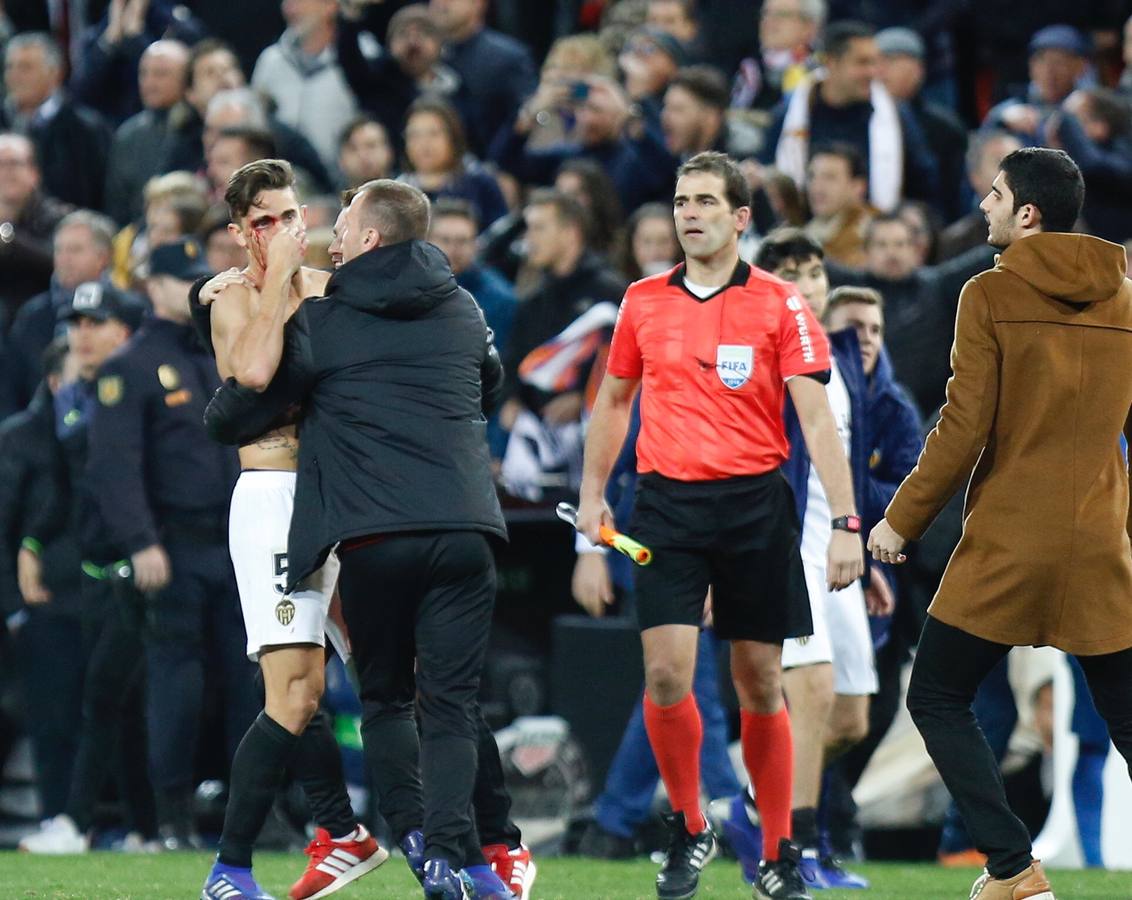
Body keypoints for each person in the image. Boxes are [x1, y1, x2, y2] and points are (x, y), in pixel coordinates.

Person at [577, 151, 864, 900]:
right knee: (667, 675)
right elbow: (612, 403)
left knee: (759, 680)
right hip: (666, 504)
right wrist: (592, 498)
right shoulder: (641, 300)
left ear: (741, 217)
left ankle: (776, 850)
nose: (689, 213)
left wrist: (847, 522)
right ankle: (689, 827)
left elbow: (815, 419)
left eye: (706, 201)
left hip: (755, 505)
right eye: (681, 201)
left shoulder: (781, 303)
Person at [868, 147, 1132, 900]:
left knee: (938, 697)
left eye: (994, 194)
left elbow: (962, 427)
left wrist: (901, 520)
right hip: (1102, 540)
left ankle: (1013, 871)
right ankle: (1013, 872)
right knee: (1128, 718)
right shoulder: (1127, 300)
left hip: (1011, 539)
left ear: (1027, 213)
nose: (982, 206)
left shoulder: (987, 293)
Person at [280, 179, 511, 898]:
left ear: (372, 238)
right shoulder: (465, 307)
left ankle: (418, 844)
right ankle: (451, 853)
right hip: (465, 529)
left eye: (344, 225)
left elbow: (258, 398)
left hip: (376, 534)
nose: (334, 236)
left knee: (383, 700)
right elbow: (488, 383)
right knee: (450, 705)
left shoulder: (322, 320)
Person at [193, 160, 383, 900]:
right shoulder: (234, 299)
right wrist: (275, 279)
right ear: (241, 231)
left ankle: (360, 834)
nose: (284, 230)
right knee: (293, 692)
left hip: (343, 494)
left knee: (387, 675)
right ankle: (230, 868)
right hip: (273, 497)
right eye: (265, 220)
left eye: (290, 214)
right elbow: (254, 374)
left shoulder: (337, 293)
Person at [84, 238, 257, 852]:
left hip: (232, 544)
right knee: (174, 683)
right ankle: (171, 818)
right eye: (179, 279)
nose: (191, 288)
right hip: (174, 547)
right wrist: (141, 541)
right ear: (152, 286)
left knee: (248, 681)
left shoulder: (213, 354)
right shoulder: (128, 365)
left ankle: (250, 813)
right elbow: (115, 466)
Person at [15, 289, 158, 854]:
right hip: (98, 571)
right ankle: (150, 829)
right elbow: (70, 487)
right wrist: (33, 542)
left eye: (96, 323)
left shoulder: (136, 386)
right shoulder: (74, 395)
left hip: (142, 567)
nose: (84, 334)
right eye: (76, 324)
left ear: (123, 331)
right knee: (117, 703)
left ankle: (75, 822)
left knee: (106, 696)